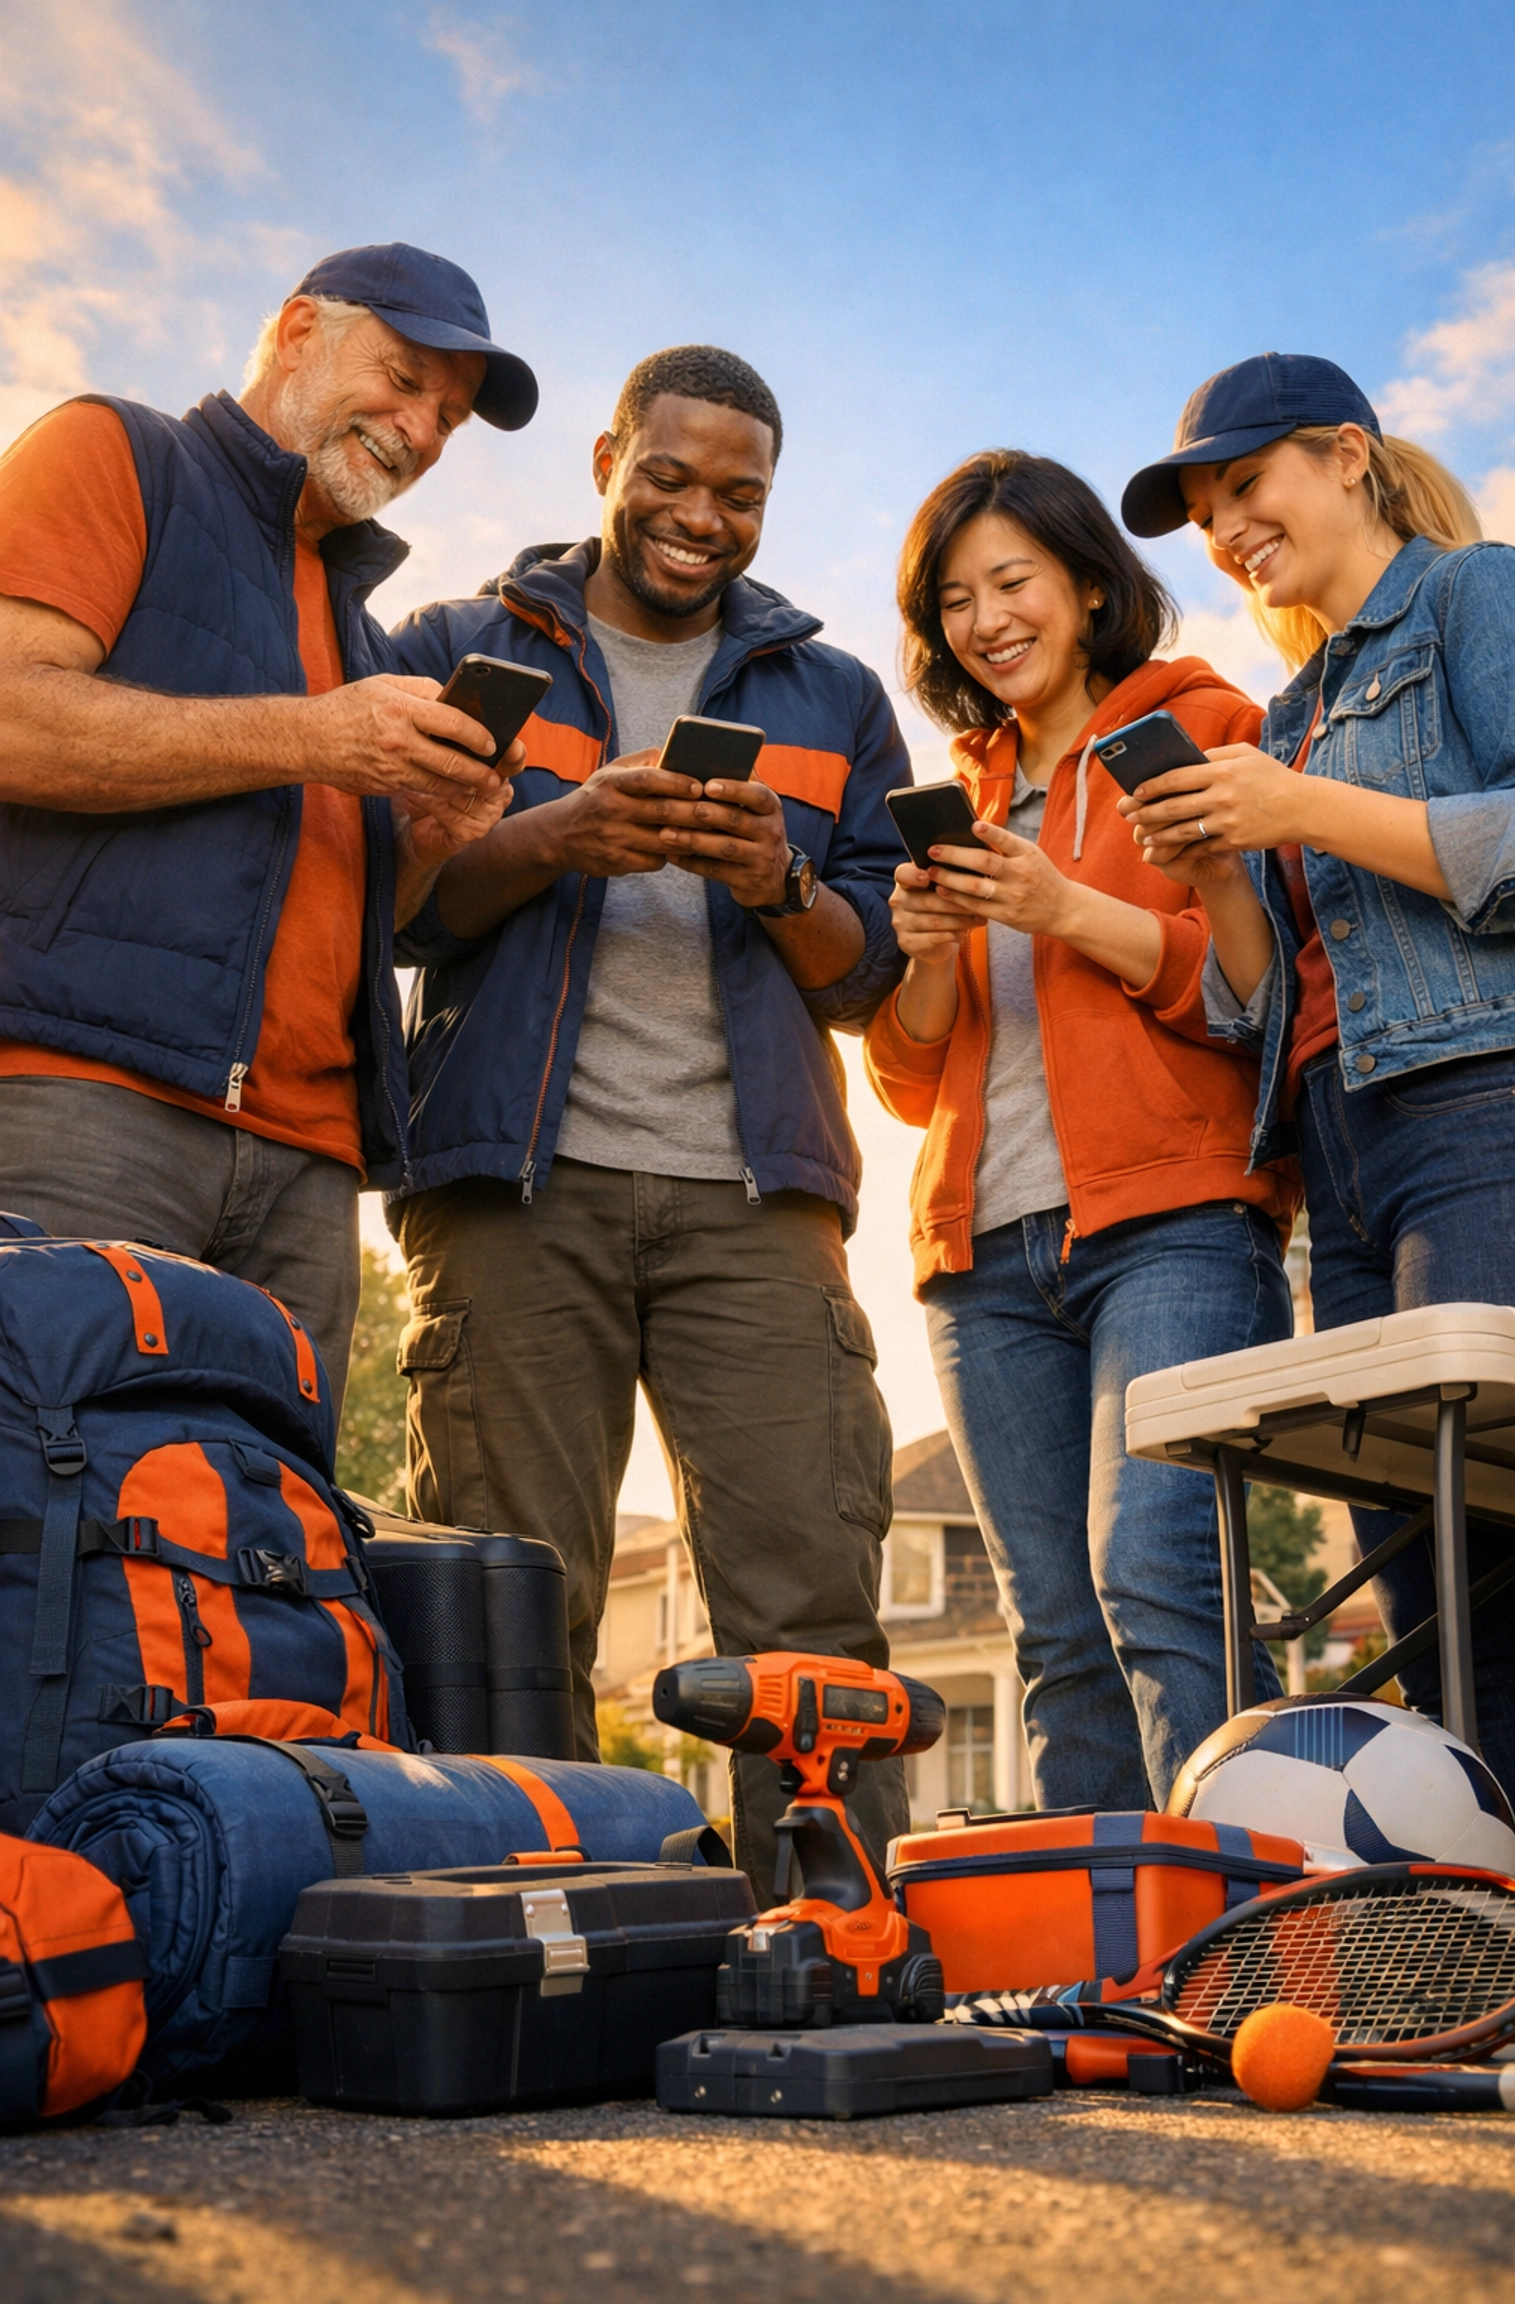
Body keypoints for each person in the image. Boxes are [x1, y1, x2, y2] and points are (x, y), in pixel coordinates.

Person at [388, 345, 912, 1897]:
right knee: (506, 1602)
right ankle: (539, 1959)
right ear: (608, 458)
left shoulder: (834, 696)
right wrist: (553, 838)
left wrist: (779, 883)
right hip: (507, 1193)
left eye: (738, 495)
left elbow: (871, 974)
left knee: (806, 1596)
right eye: (670, 479)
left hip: (757, 1207)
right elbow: (389, 910)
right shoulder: (457, 645)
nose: (701, 516)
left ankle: (829, 1949)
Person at [1119, 350, 1515, 1849]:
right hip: (1343, 1144)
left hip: (1487, 1106)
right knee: (1422, 1571)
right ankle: (1486, 1927)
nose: (1227, 528)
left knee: (1494, 1538)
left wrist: (1298, 807)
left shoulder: (1476, 597)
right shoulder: (1289, 707)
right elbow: (1257, 1001)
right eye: (1208, 510)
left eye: (1248, 485)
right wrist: (1226, 867)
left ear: (1348, 454)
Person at [0, 244, 537, 1405]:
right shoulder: (116, 453)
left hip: (309, 1167)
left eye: (446, 417)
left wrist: (428, 839)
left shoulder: (368, 638)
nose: (421, 430)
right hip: (83, 1106)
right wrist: (311, 738)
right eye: (402, 378)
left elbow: (359, 920)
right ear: (299, 331)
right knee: (36, 1524)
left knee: (257, 1556)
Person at [865, 450, 1300, 1811]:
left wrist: (1061, 910)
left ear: (1092, 586)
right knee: (1055, 1631)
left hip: (1173, 1228)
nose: (987, 619)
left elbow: (1255, 993)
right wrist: (927, 951)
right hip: (979, 1260)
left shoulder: (1205, 726)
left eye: (1014, 580)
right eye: (955, 598)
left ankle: (1252, 1938)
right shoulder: (966, 795)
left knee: (1161, 1579)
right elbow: (906, 1080)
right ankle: (1107, 1957)